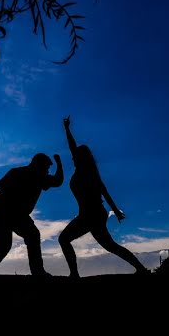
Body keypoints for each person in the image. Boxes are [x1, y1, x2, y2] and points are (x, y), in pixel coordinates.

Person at [58, 116, 149, 277]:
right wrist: (67, 128)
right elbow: (73, 148)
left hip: (91, 214)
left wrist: (116, 211)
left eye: (75, 156)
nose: (72, 158)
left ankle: (74, 274)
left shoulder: (87, 172)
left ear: (80, 158)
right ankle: (141, 269)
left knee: (64, 239)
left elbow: (104, 192)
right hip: (92, 214)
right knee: (110, 245)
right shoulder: (86, 171)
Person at [0, 153, 64, 276]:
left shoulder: (35, 176)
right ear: (38, 165)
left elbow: (58, 181)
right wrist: (59, 163)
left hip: (7, 212)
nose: (47, 171)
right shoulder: (30, 175)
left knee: (12, 242)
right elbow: (0, 185)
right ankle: (37, 271)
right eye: (46, 168)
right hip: (2, 211)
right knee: (24, 238)